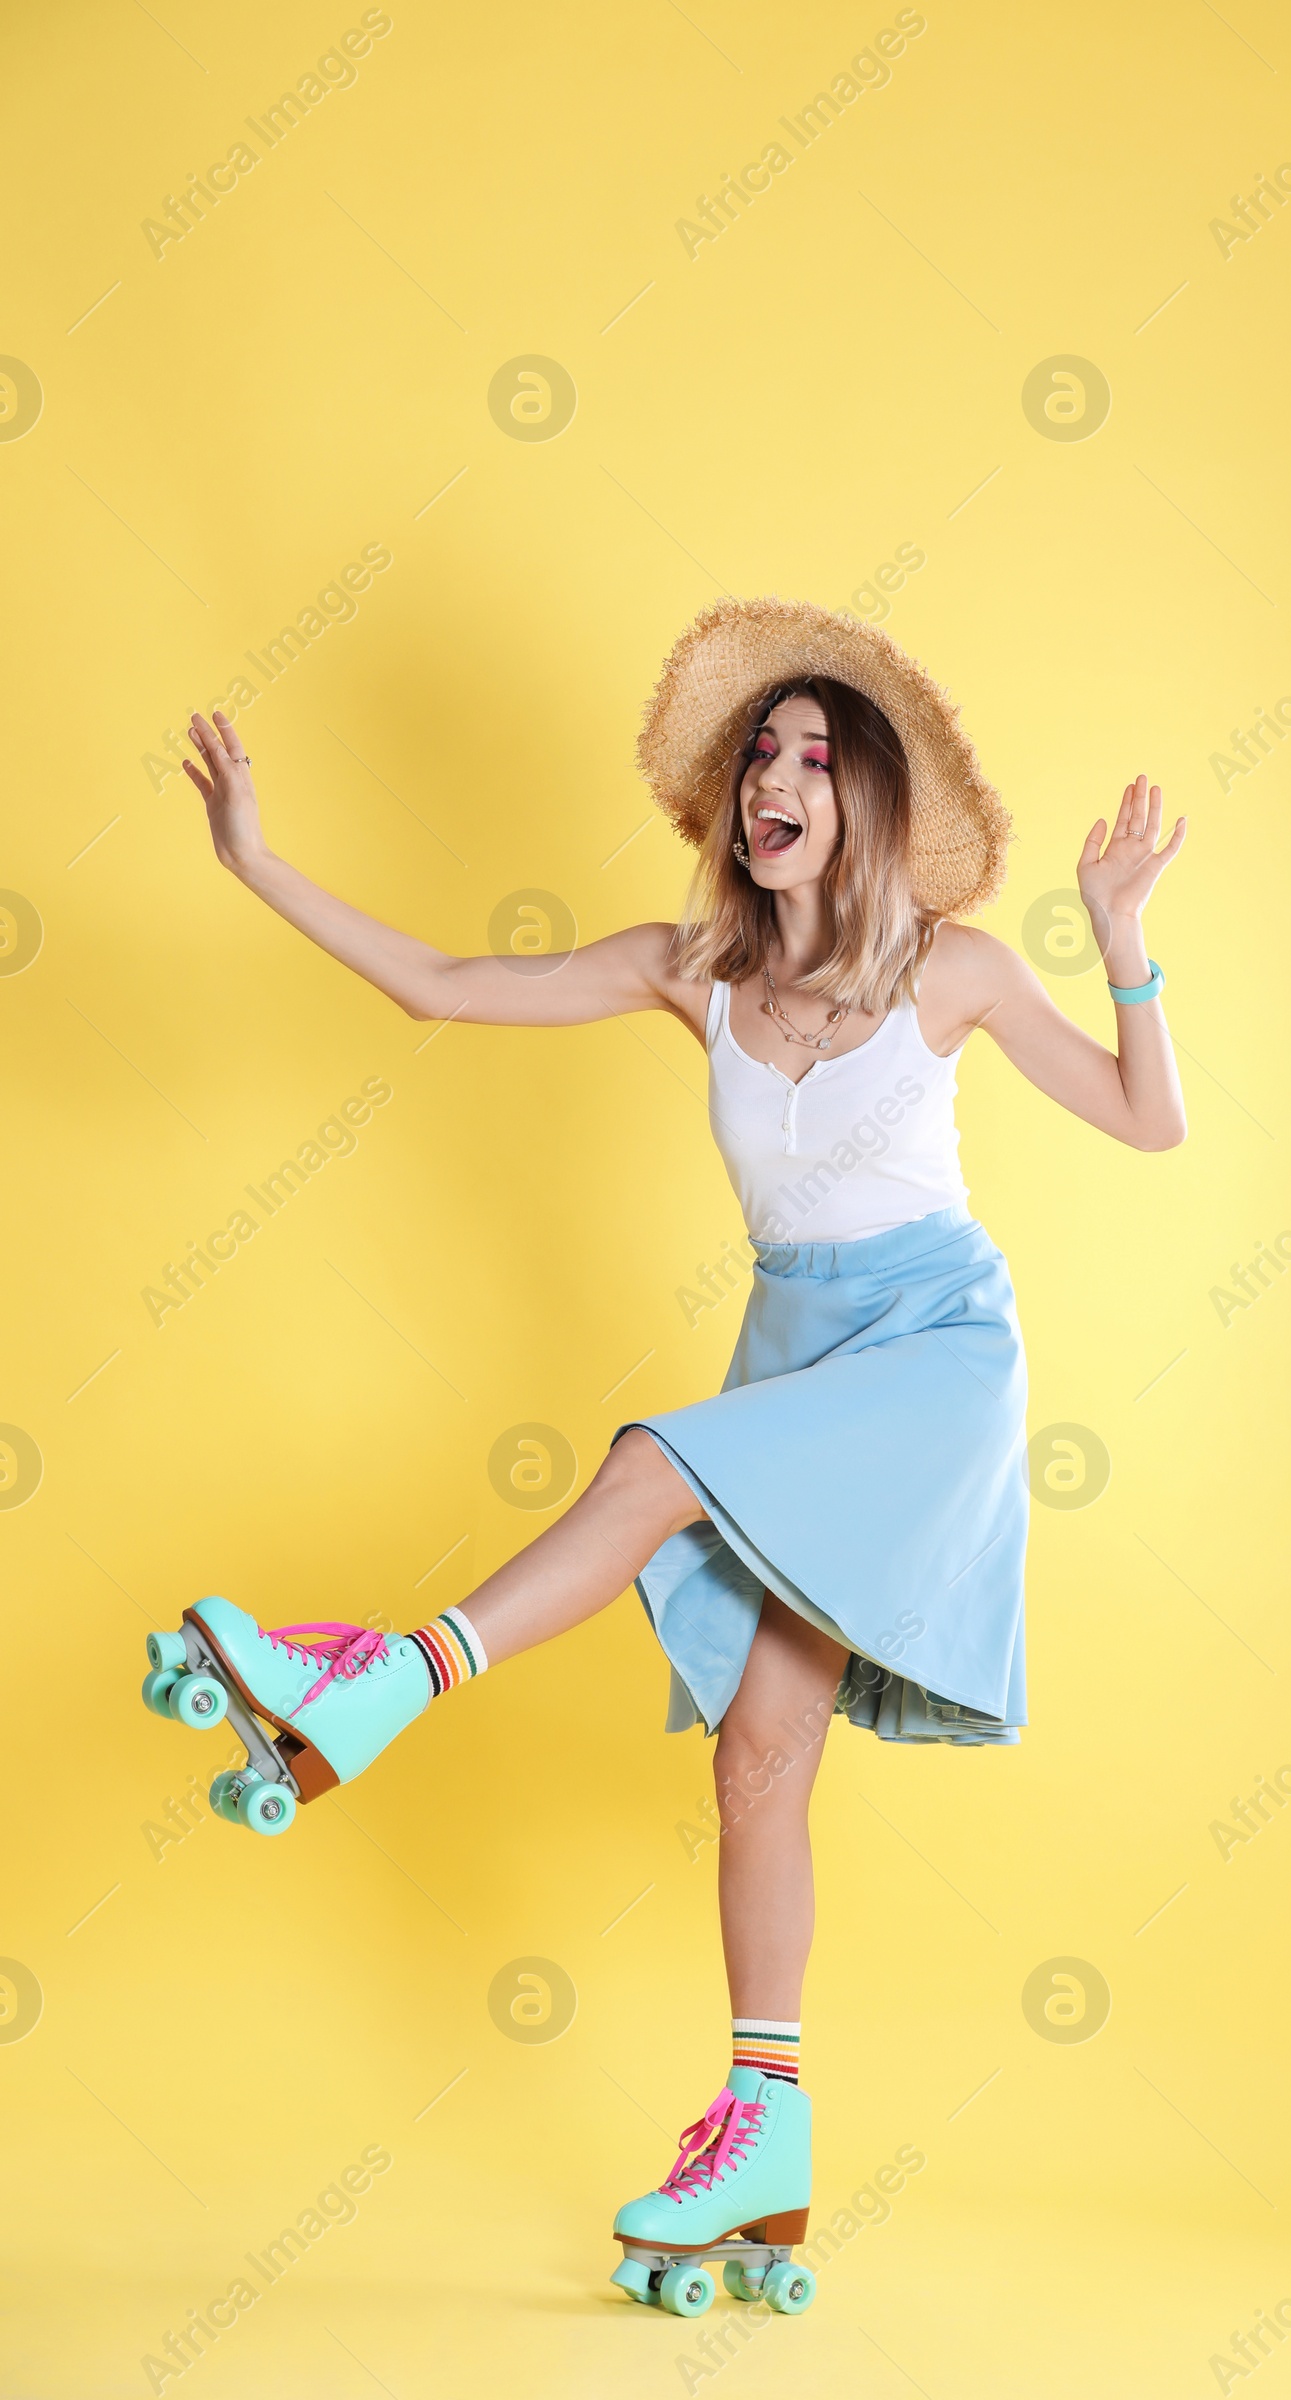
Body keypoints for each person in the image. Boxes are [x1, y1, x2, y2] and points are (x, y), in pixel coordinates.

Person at [150, 595, 1186, 2312]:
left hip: (930, 1360)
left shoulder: (953, 966)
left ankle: (384, 1680)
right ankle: (764, 2133)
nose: (775, 777)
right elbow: (436, 987)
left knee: (651, 1464)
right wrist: (254, 859)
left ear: (865, 804)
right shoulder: (687, 968)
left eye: (811, 756)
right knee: (759, 1759)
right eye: (757, 756)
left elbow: (1150, 1118)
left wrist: (1122, 934)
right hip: (795, 1343)